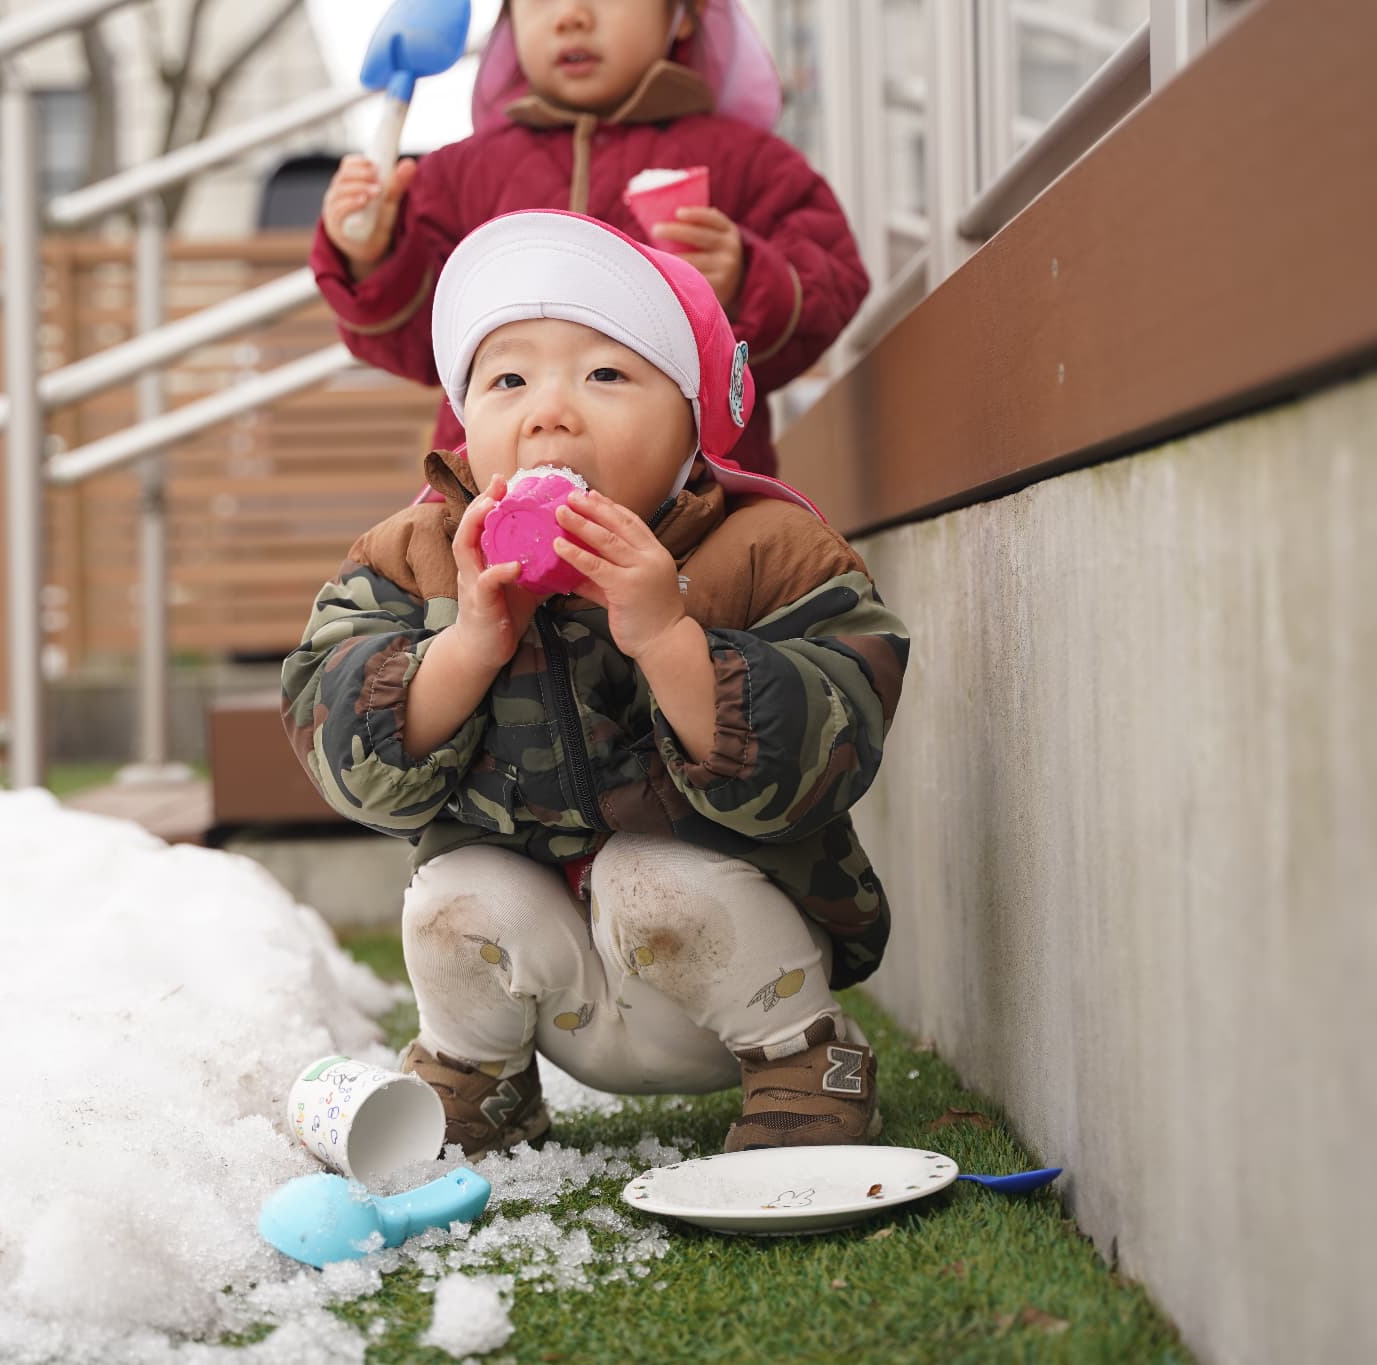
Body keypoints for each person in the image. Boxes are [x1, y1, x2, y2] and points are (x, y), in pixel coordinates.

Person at [282, 210, 907, 1155]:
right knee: (454, 891)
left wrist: (666, 634)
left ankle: (804, 1058)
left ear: (695, 420)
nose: (549, 412)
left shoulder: (769, 548)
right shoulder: (412, 559)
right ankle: (481, 1075)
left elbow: (830, 744)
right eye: (507, 380)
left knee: (642, 872)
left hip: (731, 964)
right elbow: (342, 747)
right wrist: (467, 646)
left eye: (606, 374)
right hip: (556, 989)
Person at [312, 0, 868, 477]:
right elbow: (420, 342)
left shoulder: (749, 161)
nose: (571, 16)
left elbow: (834, 279)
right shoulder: (458, 176)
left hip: (694, 505)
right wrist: (373, 258)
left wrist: (745, 280)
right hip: (492, 494)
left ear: (683, 15)